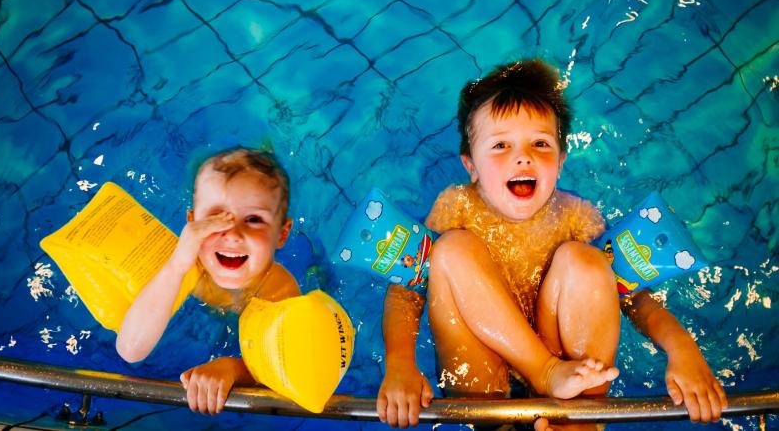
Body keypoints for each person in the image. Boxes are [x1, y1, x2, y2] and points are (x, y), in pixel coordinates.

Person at [376, 60, 727, 430]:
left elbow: (632, 296)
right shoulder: (456, 206)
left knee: (589, 262)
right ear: (471, 165)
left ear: (560, 162)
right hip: (483, 382)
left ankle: (579, 417)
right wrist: (400, 364)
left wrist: (682, 349)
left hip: (566, 372)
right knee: (451, 249)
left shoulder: (577, 215)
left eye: (540, 143)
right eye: (500, 145)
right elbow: (406, 291)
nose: (522, 156)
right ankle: (539, 383)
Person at [116, 147, 301, 415]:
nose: (233, 234)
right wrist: (178, 265)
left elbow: (285, 365)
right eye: (216, 217)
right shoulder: (188, 265)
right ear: (191, 223)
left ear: (282, 234)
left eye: (253, 219)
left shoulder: (279, 290)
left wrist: (234, 368)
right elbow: (130, 350)